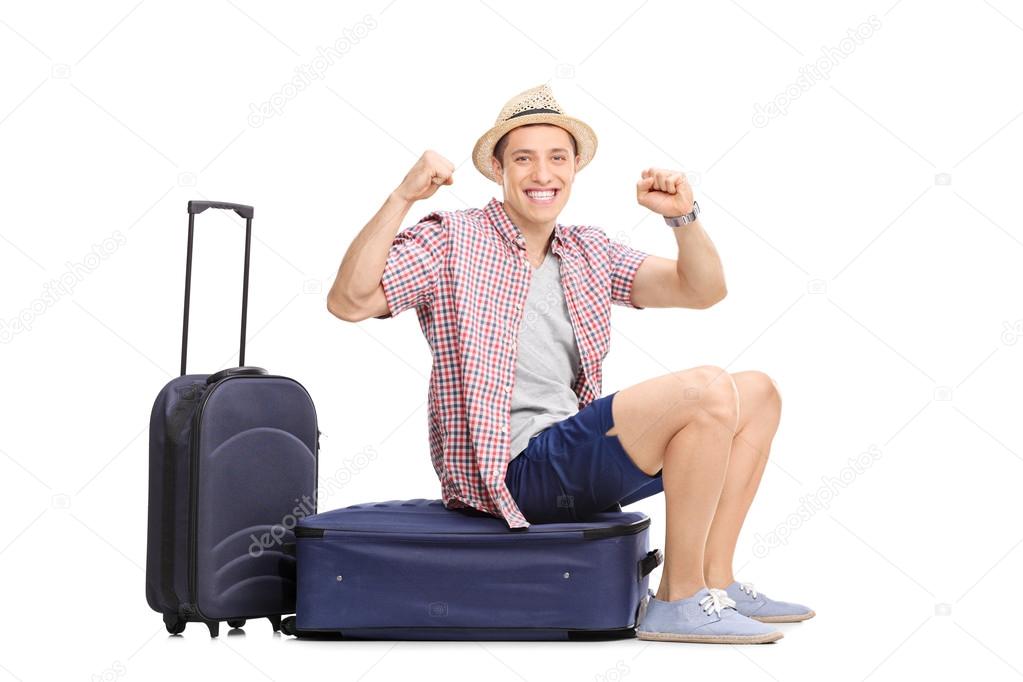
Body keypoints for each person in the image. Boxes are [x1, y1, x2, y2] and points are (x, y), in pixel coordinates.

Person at [327, 83, 813, 644]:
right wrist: (402, 197)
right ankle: (677, 599)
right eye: (524, 159)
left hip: (571, 456)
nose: (542, 174)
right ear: (498, 170)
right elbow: (349, 302)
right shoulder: (452, 240)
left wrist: (684, 218)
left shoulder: (587, 250)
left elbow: (701, 290)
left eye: (557, 158)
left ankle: (715, 579)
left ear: (575, 167)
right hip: (512, 473)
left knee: (757, 392)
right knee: (705, 388)